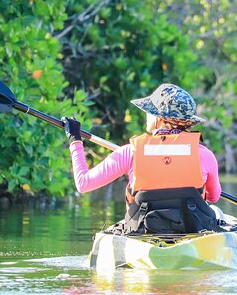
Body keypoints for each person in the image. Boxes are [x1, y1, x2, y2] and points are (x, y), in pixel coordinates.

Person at [62, 83, 223, 234]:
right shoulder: (205, 154)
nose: (146, 114)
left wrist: (74, 140)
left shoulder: (130, 152)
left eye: (150, 111)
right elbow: (214, 197)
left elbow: (83, 184)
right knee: (216, 212)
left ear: (159, 119)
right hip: (192, 229)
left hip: (143, 230)